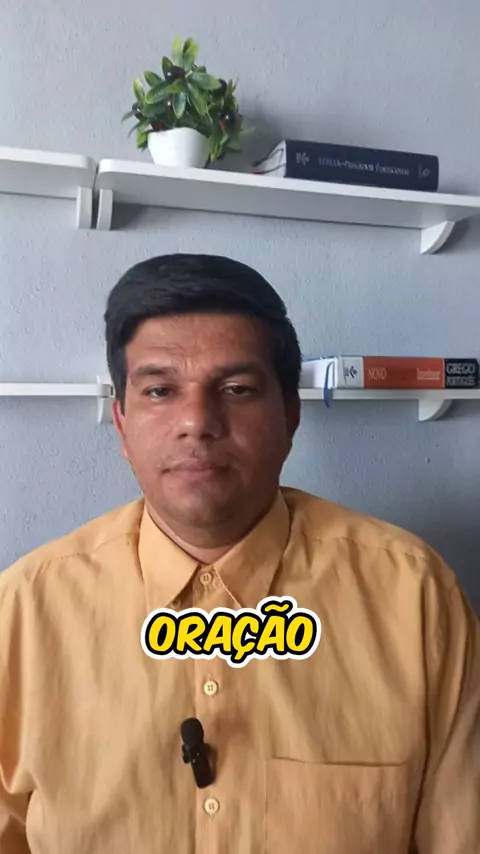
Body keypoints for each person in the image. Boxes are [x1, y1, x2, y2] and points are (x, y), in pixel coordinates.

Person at [0, 254, 478, 854]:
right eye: (160, 391)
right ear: (121, 424)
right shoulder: (23, 610)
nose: (197, 422)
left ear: (290, 416)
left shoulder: (414, 596)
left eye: (237, 389)